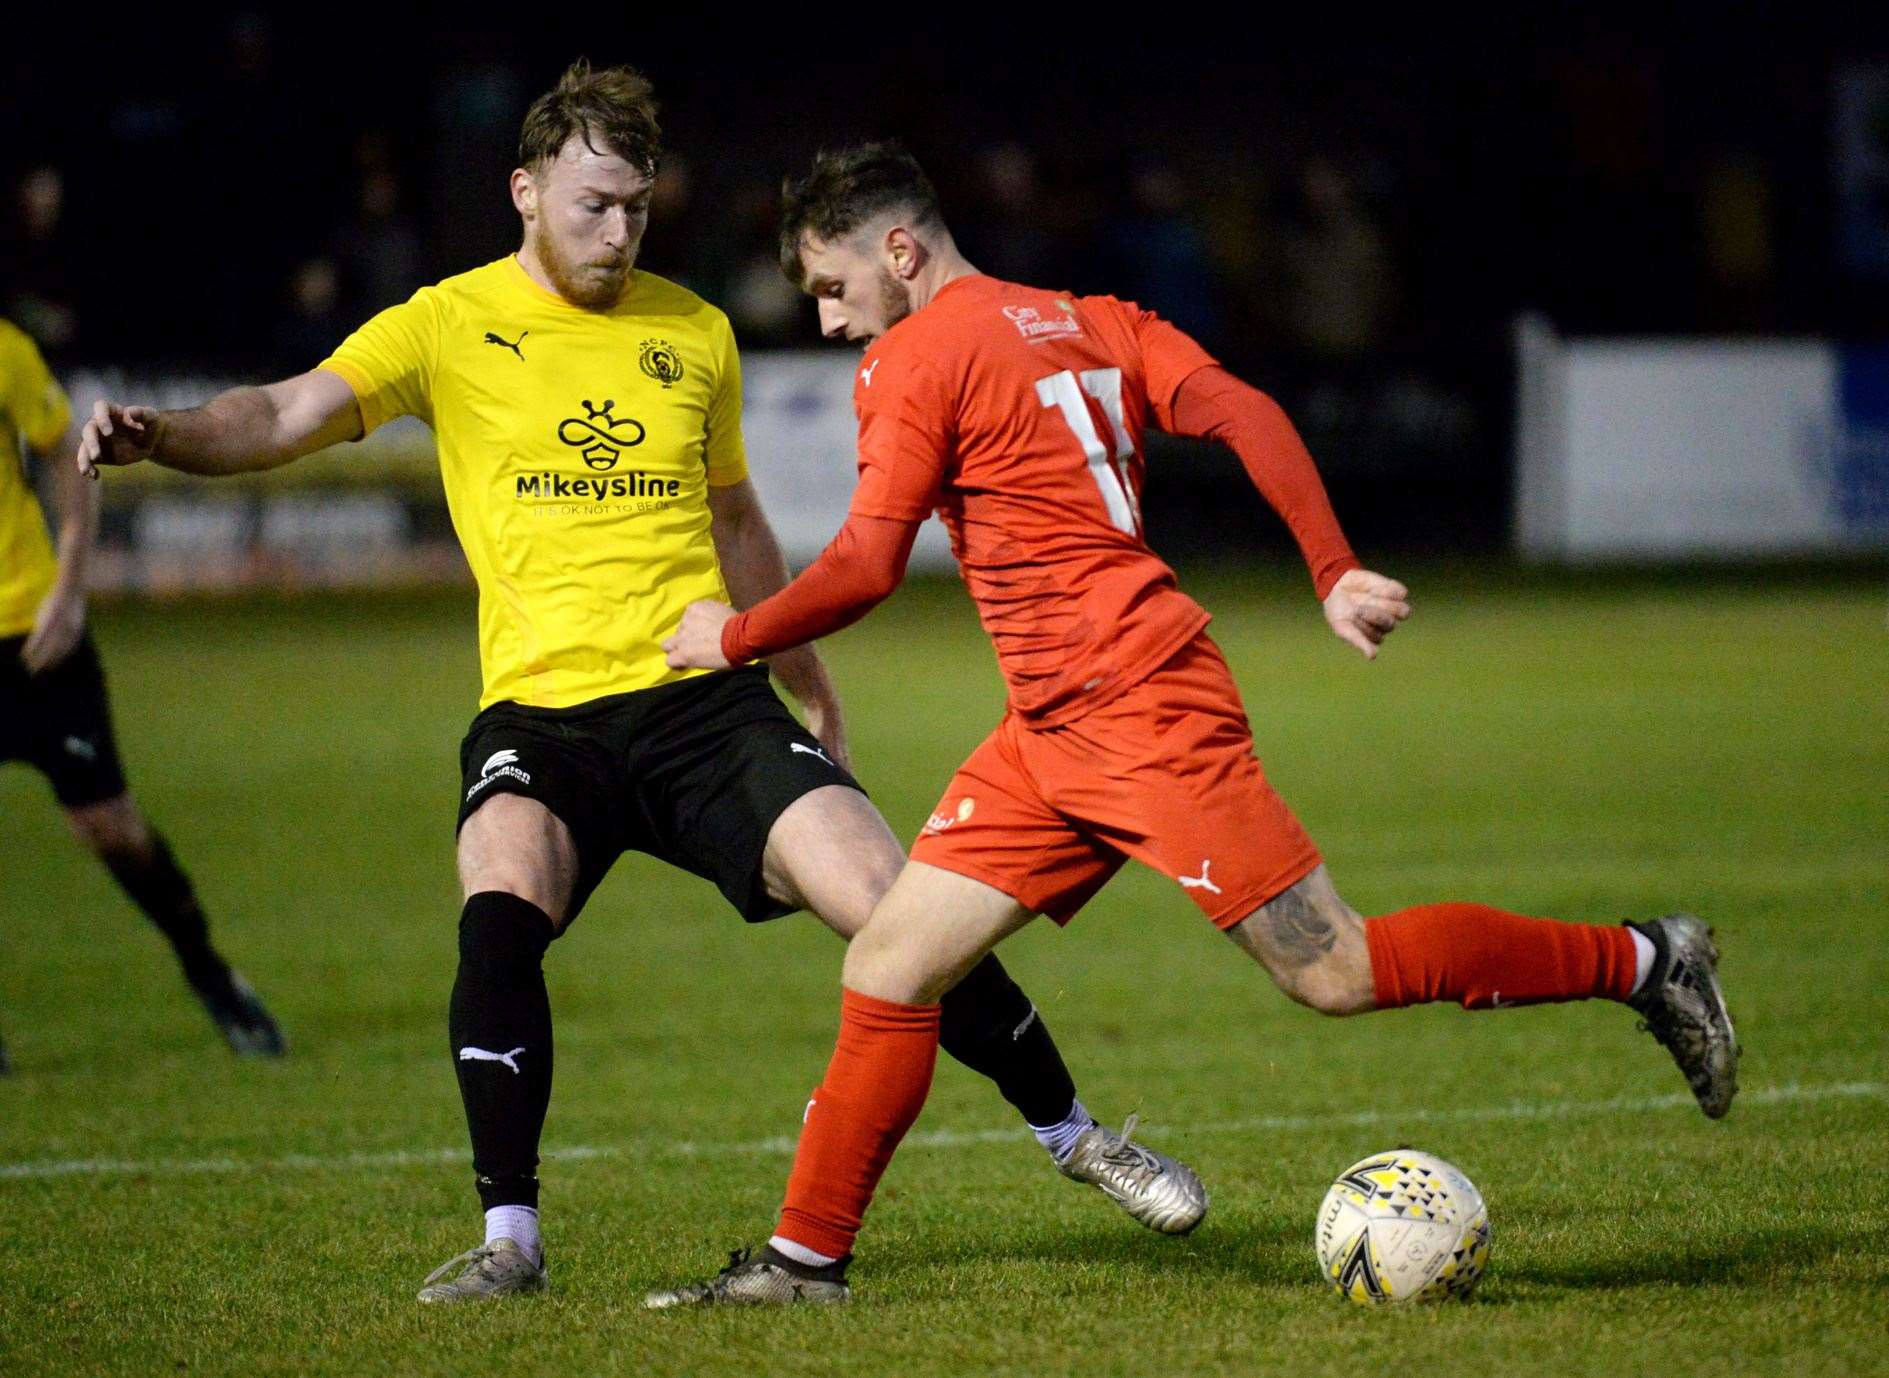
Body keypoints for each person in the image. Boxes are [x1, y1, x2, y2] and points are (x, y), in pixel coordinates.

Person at [76, 64, 1205, 1303]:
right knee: (498, 902)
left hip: (700, 705)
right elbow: (284, 413)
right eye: (591, 206)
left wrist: (803, 674)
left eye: (636, 210)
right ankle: (511, 1241)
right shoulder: (444, 324)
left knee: (894, 904)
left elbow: (736, 519)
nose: (617, 235)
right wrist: (164, 435)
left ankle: (1075, 1133)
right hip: (541, 715)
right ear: (524, 190)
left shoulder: (690, 329)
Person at [648, 142, 1741, 1306]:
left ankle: (1643, 959)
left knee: (1337, 970)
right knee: (891, 960)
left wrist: (736, 635)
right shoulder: (1086, 318)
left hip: (1140, 710)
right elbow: (1240, 407)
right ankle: (804, 1264)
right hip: (1050, 728)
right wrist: (1327, 567)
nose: (827, 321)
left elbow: (867, 564)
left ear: (899, 249)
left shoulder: (913, 356)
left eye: (831, 285)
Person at [1, 317, 285, 1071]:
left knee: (111, 830)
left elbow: (67, 454)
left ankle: (211, 973)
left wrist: (69, 591)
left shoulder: (5, 351)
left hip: (29, 631)